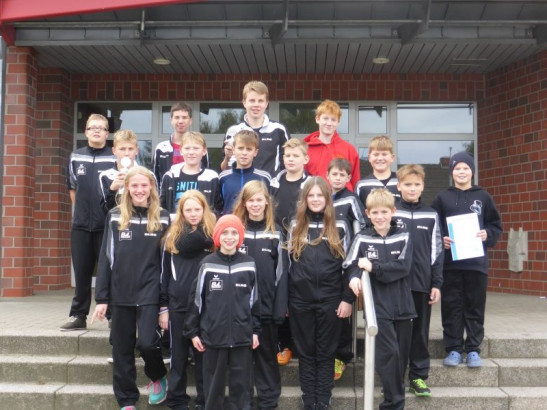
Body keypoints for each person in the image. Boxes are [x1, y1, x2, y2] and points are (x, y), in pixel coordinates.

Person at [91, 166, 170, 409]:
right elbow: (106, 258)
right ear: (127, 188)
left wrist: (164, 305)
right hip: (121, 293)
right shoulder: (115, 216)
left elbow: (167, 264)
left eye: (144, 185)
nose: (139, 190)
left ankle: (158, 376)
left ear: (151, 187)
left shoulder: (163, 217)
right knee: (122, 348)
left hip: (150, 292)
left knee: (147, 343)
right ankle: (126, 400)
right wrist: (102, 298)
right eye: (134, 185)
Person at [286, 177, 353, 410]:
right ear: (304, 199)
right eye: (311, 195)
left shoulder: (340, 225)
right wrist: (286, 300)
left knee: (326, 352)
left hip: (331, 300)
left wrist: (347, 299)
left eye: (320, 195)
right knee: (306, 352)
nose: (315, 200)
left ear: (327, 198)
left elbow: (349, 265)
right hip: (300, 301)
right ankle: (309, 398)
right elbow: (287, 265)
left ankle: (323, 399)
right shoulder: (295, 225)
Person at [346, 188, 415, 410]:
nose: (380, 216)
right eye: (375, 212)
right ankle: (393, 404)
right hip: (378, 307)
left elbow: (403, 267)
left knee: (400, 358)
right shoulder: (362, 237)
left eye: (384, 211)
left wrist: (373, 267)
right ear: (367, 213)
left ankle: (393, 399)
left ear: (393, 212)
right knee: (389, 354)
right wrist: (354, 276)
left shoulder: (404, 235)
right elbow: (350, 264)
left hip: (404, 305)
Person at [431, 151, 502, 368]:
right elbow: (433, 227)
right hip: (450, 264)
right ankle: (453, 348)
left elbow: (495, 225)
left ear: (472, 171)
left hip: (476, 264)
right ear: (451, 172)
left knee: (474, 306)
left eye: (465, 168)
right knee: (451, 306)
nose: (461, 172)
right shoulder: (442, 198)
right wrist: (441, 239)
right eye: (457, 168)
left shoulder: (483, 196)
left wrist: (487, 234)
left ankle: (472, 349)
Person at [184, 214, 261, 410]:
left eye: (234, 233)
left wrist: (255, 330)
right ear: (218, 236)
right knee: (213, 387)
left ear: (240, 236)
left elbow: (254, 301)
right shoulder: (207, 264)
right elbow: (196, 300)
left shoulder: (249, 264)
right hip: (213, 335)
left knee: (242, 387)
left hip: (242, 336)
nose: (229, 237)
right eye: (225, 232)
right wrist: (192, 332)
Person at [160, 190, 216, 410]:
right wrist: (163, 307)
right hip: (178, 305)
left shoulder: (214, 236)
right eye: (188, 210)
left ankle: (204, 401)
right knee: (178, 356)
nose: (193, 214)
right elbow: (164, 275)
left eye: (197, 209)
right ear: (181, 212)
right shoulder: (171, 238)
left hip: (206, 307)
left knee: (203, 356)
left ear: (204, 210)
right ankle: (176, 400)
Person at [60, 114, 116, 331]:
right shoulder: (76, 156)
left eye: (101, 128)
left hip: (106, 226)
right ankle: (78, 315)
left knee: (108, 271)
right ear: (86, 132)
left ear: (107, 133)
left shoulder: (114, 157)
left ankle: (112, 315)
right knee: (81, 272)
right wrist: (82, 214)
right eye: (92, 128)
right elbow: (72, 189)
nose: (96, 131)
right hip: (81, 225)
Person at [233, 181, 285, 410]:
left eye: (259, 200)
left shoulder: (276, 233)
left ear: (266, 202)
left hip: (266, 308)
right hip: (239, 310)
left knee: (266, 356)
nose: (255, 204)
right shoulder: (235, 231)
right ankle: (243, 402)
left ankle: (268, 401)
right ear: (244, 203)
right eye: (251, 200)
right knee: (242, 359)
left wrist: (279, 307)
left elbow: (282, 274)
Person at [394, 164, 443, 396]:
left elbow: (437, 252)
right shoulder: (391, 212)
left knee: (420, 333)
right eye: (407, 184)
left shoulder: (431, 214)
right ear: (399, 186)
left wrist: (436, 283)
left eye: (416, 184)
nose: (412, 189)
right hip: (395, 285)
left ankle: (418, 377)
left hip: (422, 284)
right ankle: (394, 380)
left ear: (423, 186)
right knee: (397, 334)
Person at [269, 137, 310, 366]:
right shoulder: (274, 182)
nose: (291, 159)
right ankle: (284, 344)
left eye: (295, 156)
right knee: (280, 291)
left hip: (302, 243)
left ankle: (300, 343)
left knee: (300, 292)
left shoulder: (311, 183)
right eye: (287, 156)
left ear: (306, 159)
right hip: (278, 242)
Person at [325, 158, 366, 381]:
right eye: (335, 174)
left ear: (349, 177)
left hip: (345, 263)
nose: (338, 178)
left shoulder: (351, 199)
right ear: (327, 176)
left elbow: (362, 227)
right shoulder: (322, 198)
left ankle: (341, 356)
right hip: (325, 263)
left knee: (342, 314)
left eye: (342, 175)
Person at [220, 80, 289, 176]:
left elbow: (288, 164)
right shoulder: (233, 131)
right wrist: (227, 158)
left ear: (266, 103)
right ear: (244, 102)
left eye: (260, 101)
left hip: (270, 185)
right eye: (252, 100)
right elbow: (225, 169)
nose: (256, 105)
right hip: (242, 185)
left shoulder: (279, 129)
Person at [159, 131, 223, 217]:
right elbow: (162, 206)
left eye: (196, 148)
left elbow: (219, 208)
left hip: (203, 225)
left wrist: (210, 217)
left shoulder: (212, 178)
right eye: (187, 148)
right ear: (181, 150)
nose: (191, 152)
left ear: (204, 151)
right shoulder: (170, 176)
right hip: (176, 224)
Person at [303, 99, 360, 191]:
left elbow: (355, 181)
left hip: (343, 198)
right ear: (317, 119)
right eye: (325, 118)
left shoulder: (349, 149)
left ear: (338, 122)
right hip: (317, 197)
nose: (329, 123)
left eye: (333, 120)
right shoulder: (306, 149)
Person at [153, 102, 209, 184]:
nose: (180, 121)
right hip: (168, 191)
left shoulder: (199, 147)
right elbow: (155, 177)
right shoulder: (161, 148)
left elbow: (207, 172)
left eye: (184, 117)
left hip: (194, 191)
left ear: (190, 121)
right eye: (177, 117)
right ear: (171, 120)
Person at [219, 130, 271, 215]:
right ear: (233, 150)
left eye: (249, 149)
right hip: (230, 223)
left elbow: (269, 208)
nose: (244, 153)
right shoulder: (223, 177)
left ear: (255, 152)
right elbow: (219, 207)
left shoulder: (264, 177)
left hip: (255, 223)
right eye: (240, 148)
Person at [354, 135, 400, 217]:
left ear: (392, 157)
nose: (380, 158)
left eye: (384, 154)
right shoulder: (362, 185)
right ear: (369, 157)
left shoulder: (401, 182)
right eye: (376, 154)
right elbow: (359, 215)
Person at [99, 129, 141, 213]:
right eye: (122, 149)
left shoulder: (147, 175)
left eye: (131, 149)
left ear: (137, 151)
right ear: (114, 151)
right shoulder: (105, 176)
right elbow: (105, 210)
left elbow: (153, 204)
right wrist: (112, 190)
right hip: (116, 220)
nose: (126, 153)